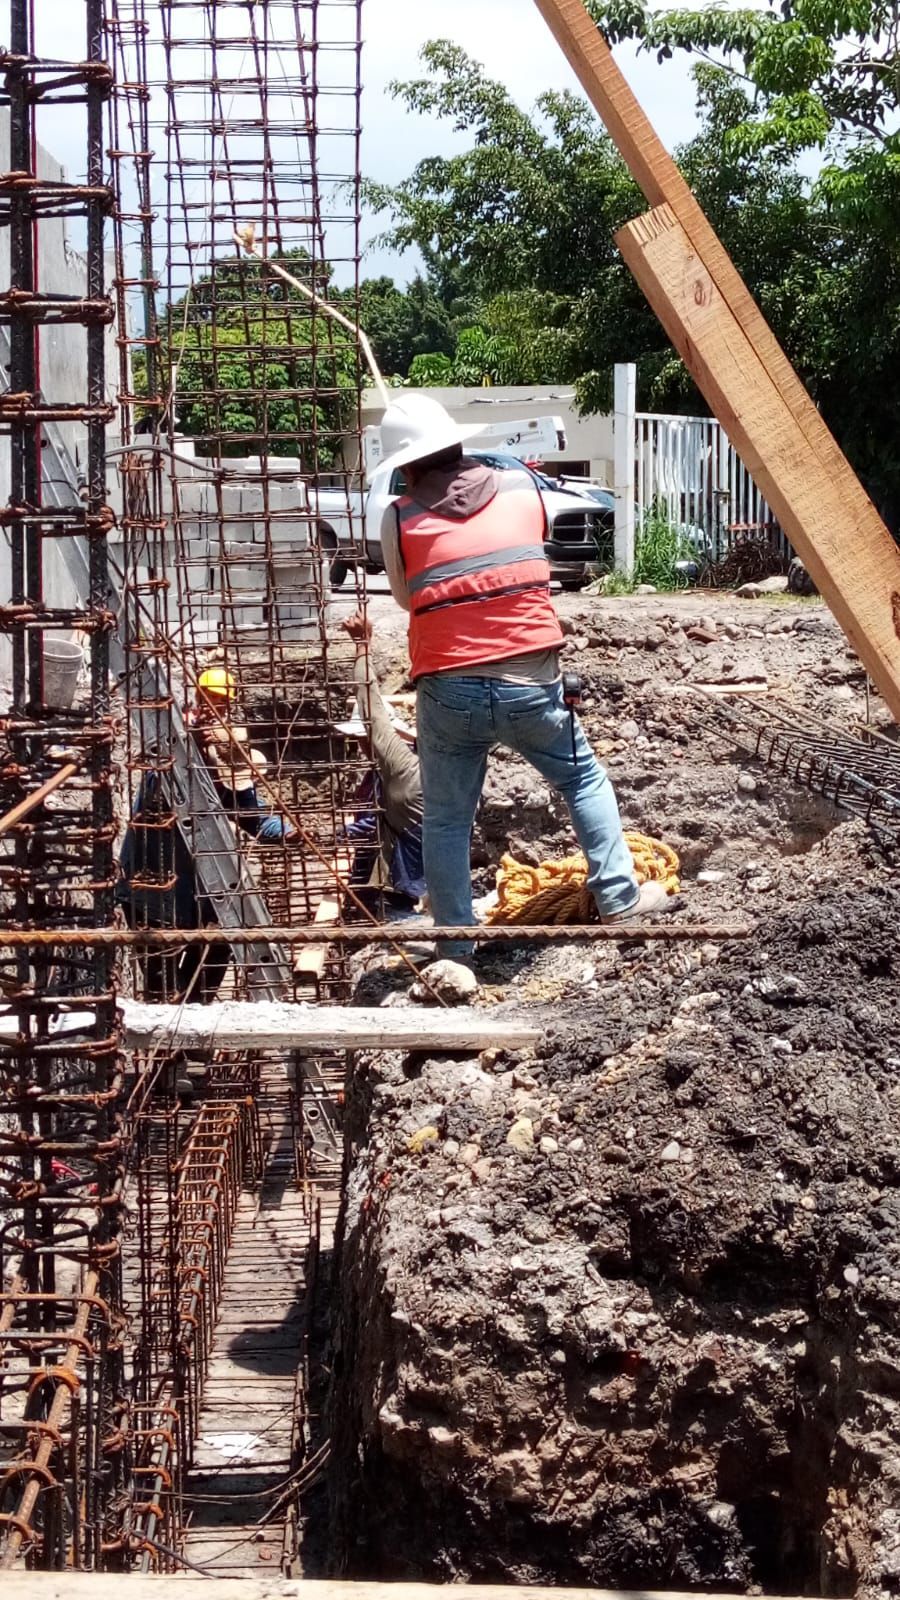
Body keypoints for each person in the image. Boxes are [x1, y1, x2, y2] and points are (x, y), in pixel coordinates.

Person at [377, 392, 670, 960]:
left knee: (446, 818)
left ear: (405, 466)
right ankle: (618, 899)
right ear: (456, 443)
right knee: (582, 781)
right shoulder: (522, 490)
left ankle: (455, 947)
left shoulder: (400, 517)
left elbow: (407, 598)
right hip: (530, 680)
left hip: (450, 688)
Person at [117, 664, 296, 1001]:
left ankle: (195, 1015)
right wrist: (191, 746)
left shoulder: (226, 765)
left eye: (222, 703)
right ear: (197, 699)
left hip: (199, 889)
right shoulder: (168, 749)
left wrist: (288, 832)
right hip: (151, 887)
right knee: (161, 984)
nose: (215, 709)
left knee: (219, 946)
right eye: (210, 700)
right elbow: (156, 796)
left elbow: (253, 817)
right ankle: (169, 1019)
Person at [335, 611, 425, 913]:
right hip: (427, 883)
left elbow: (372, 712)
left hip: (406, 889)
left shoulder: (403, 769)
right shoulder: (457, 771)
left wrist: (362, 645)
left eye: (364, 738)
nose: (363, 745)